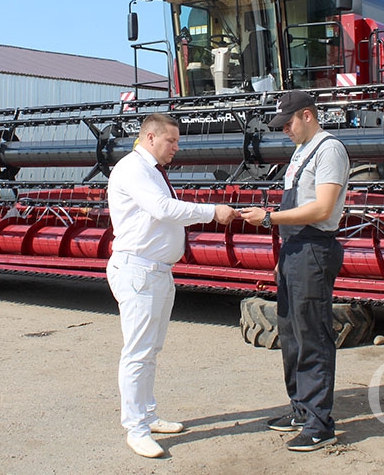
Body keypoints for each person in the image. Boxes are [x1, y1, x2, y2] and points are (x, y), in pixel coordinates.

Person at [106, 112, 237, 458]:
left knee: (150, 350)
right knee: (137, 351)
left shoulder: (152, 171)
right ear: (150, 137)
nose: (176, 147)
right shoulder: (134, 169)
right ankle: (135, 429)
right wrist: (212, 212)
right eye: (172, 141)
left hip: (156, 271)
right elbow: (162, 209)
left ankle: (147, 415)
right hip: (139, 271)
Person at [241, 90, 349, 452]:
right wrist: (283, 254)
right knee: (291, 332)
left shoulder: (329, 149)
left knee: (313, 334)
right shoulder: (301, 151)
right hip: (295, 249)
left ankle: (320, 423)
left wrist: (269, 218)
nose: (285, 130)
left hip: (315, 248)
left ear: (307, 115)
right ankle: (300, 408)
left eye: (288, 123)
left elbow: (322, 208)